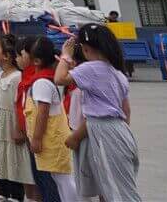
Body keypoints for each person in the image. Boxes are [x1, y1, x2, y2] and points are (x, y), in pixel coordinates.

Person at [56, 25, 139, 202]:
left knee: (117, 191)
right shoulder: (117, 73)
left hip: (103, 133)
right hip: (120, 131)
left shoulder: (91, 68)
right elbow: (126, 111)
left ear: (85, 48)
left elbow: (59, 78)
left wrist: (65, 56)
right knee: (114, 187)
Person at [20, 35, 74, 202]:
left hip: (51, 140)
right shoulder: (45, 79)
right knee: (59, 180)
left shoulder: (41, 82)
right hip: (50, 139)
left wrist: (36, 139)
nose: (20, 56)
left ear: (36, 61)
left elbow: (43, 113)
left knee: (63, 181)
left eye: (24, 54)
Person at [0, 34, 29, 202]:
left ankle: (16, 195)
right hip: (2, 124)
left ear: (6, 55)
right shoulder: (0, 75)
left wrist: (19, 128)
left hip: (13, 124)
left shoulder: (16, 77)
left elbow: (20, 106)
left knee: (16, 160)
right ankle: (4, 193)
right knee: (3, 158)